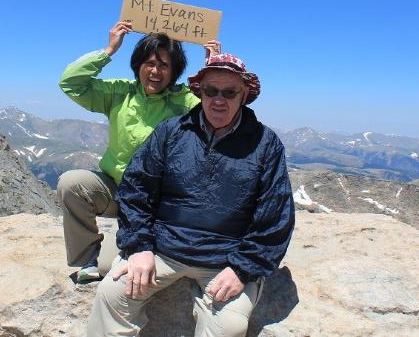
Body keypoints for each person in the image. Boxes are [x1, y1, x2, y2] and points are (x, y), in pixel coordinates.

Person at [88, 53, 295, 337]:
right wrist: (139, 247)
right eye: (211, 91)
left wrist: (242, 270)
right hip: (163, 248)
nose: (218, 99)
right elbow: (137, 188)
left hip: (225, 259)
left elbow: (275, 214)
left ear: (244, 94)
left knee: (229, 327)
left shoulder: (265, 143)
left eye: (229, 92)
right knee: (112, 294)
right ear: (200, 92)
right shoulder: (171, 131)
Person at [56, 20, 220, 282]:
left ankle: (116, 243)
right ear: (138, 65)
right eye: (150, 63)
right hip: (116, 188)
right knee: (72, 183)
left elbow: (216, 108)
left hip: (157, 202)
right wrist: (109, 50)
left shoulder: (184, 100)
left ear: (174, 71)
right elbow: (71, 83)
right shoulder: (120, 93)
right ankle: (86, 255)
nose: (155, 71)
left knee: (109, 269)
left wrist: (213, 68)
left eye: (164, 65)